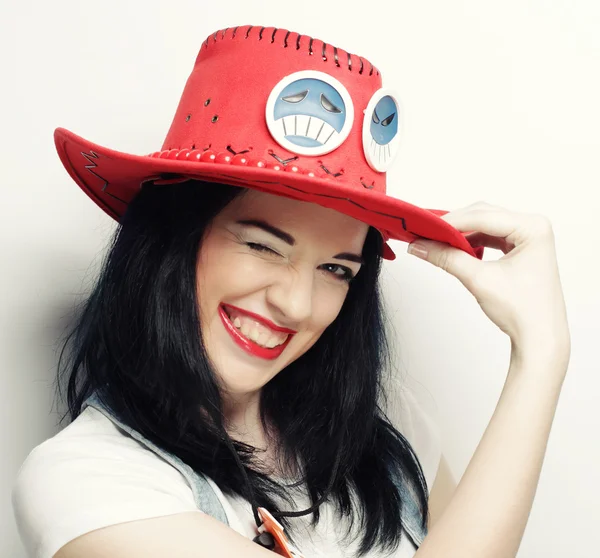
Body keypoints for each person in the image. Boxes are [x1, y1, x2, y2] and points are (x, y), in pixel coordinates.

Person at [11, 24, 570, 558]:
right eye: (263, 246)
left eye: (336, 270)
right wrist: (539, 361)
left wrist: (542, 353)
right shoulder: (86, 483)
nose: (297, 305)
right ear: (172, 240)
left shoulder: (390, 430)